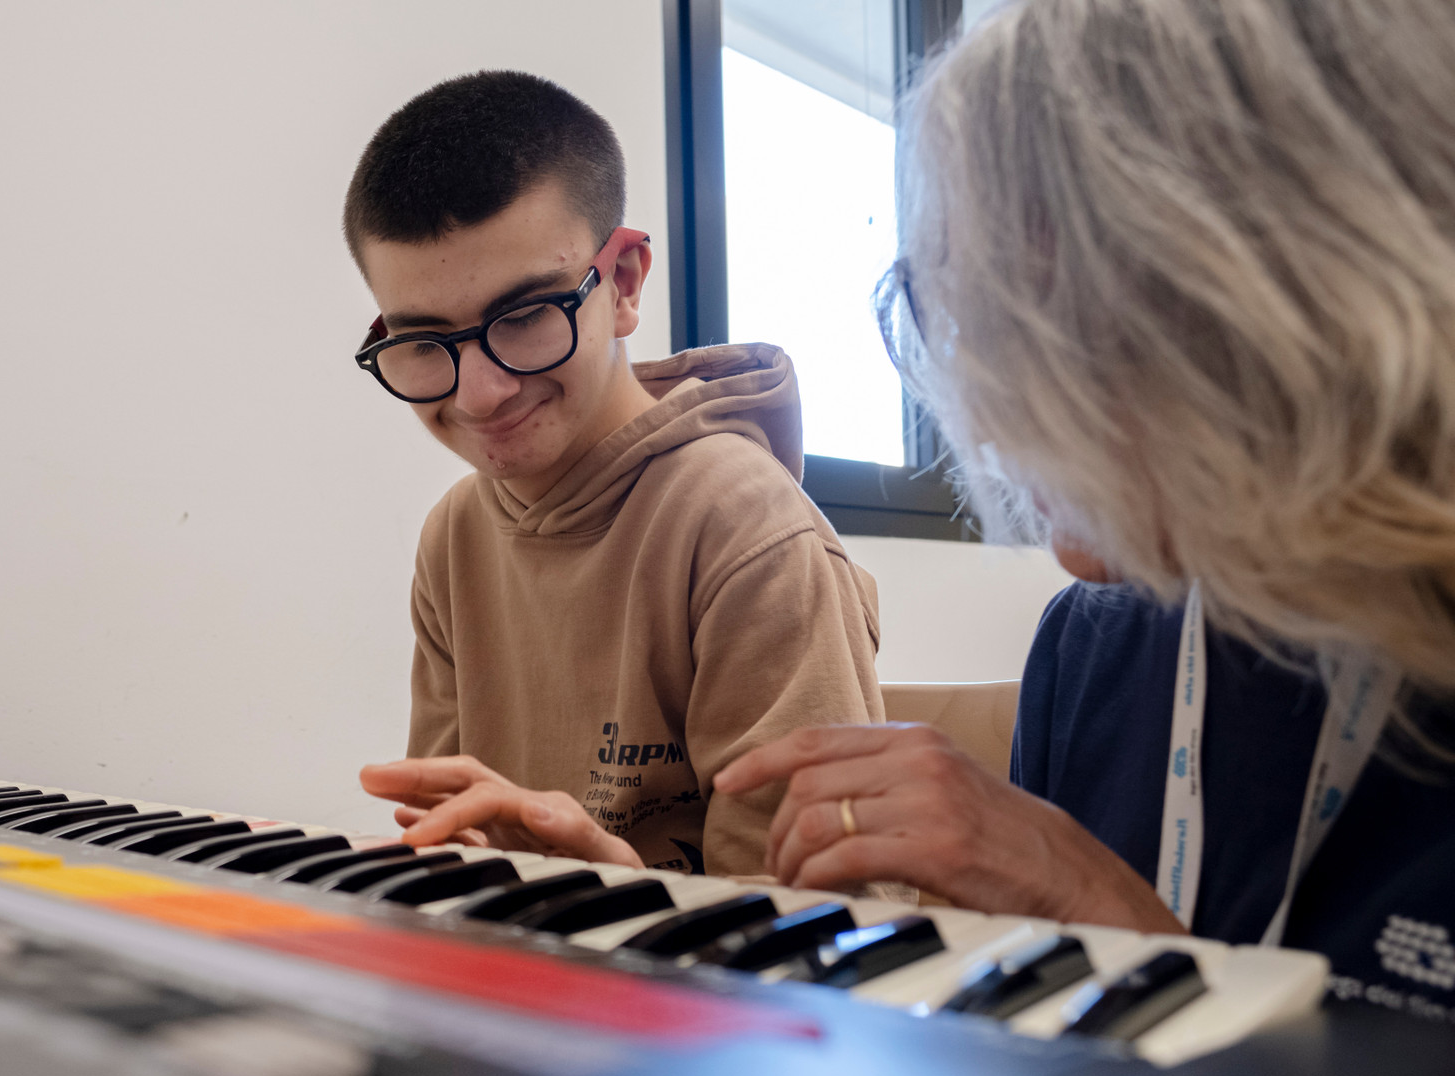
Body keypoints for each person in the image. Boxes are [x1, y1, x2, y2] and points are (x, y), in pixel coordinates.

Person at [400, 0, 1455, 1010]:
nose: (1072, 550)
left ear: (1333, 306)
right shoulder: (1096, 652)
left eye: (1089, 369)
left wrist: (1092, 899)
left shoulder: (743, 519)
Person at [343, 71, 884, 877]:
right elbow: (453, 848)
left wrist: (617, 885)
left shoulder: (744, 527)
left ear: (624, 284)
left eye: (524, 317)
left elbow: (834, 928)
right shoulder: (455, 531)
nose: (480, 394)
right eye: (425, 342)